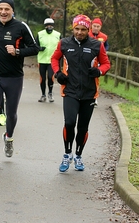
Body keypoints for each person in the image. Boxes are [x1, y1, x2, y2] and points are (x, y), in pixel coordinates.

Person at [51, 14, 110, 172]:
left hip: (89, 93)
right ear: (73, 28)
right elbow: (54, 59)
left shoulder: (96, 45)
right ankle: (67, 153)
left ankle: (78, 155)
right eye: (77, 29)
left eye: (83, 29)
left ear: (88, 29)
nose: (79, 32)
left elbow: (106, 64)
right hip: (70, 90)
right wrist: (58, 73)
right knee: (69, 123)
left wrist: (99, 71)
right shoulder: (64, 43)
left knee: (83, 127)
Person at [0, 0, 39, 164]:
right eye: (0, 9)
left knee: (11, 114)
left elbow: (35, 48)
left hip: (14, 77)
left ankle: (9, 137)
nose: (3, 12)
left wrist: (17, 52)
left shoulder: (21, 27)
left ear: (12, 11)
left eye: (7, 9)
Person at [36, 18, 61, 103]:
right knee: (43, 78)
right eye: (47, 25)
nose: (49, 27)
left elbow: (61, 46)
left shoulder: (58, 34)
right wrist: (39, 48)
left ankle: (50, 93)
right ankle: (43, 95)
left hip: (52, 60)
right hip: (42, 59)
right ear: (45, 26)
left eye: (51, 25)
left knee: (50, 77)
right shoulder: (40, 34)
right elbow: (35, 46)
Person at [89, 17, 110, 107]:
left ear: (100, 27)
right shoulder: (87, 34)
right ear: (91, 26)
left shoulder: (104, 37)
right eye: (94, 26)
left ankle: (95, 97)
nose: (96, 28)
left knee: (96, 78)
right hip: (89, 59)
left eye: (98, 26)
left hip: (98, 60)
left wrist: (103, 52)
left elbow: (107, 46)